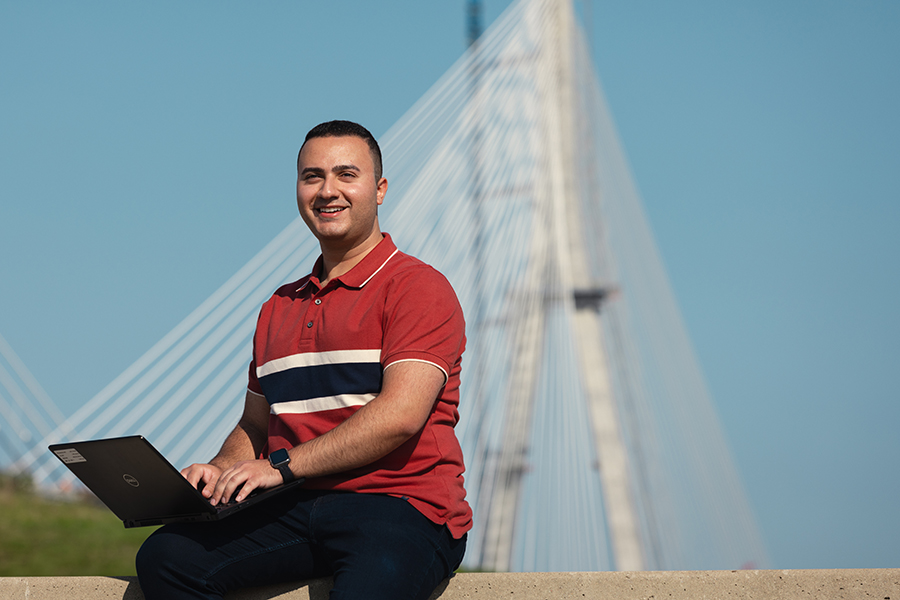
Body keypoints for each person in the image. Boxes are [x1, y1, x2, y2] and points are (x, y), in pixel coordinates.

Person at [136, 120, 471, 600]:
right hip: (297, 504)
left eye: (345, 175)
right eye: (312, 176)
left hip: (402, 505)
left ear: (379, 190)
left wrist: (281, 466)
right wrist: (220, 472)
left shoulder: (417, 287)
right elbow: (255, 426)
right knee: (167, 558)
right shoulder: (279, 306)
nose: (327, 190)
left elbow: (400, 416)